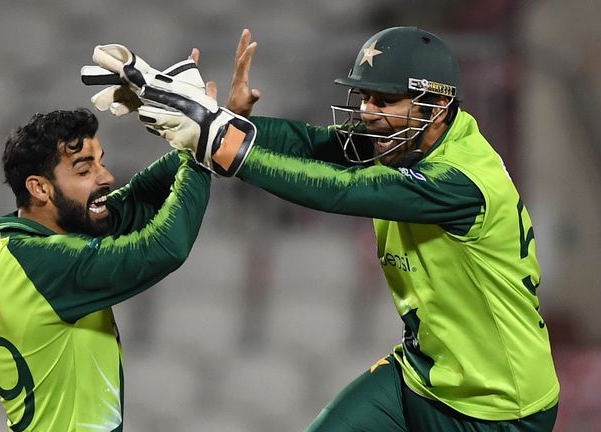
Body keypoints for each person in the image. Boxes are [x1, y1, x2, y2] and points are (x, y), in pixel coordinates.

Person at [108, 26, 560, 431]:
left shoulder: (461, 179)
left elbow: (339, 190)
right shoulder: (408, 141)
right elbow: (310, 144)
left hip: (500, 409)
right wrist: (225, 123)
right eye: (365, 97)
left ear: (437, 106)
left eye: (384, 100)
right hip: (421, 374)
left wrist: (220, 141)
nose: (367, 112)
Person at [0, 107, 210, 431]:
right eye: (84, 170)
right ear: (39, 188)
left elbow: (137, 200)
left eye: (100, 162)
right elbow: (165, 247)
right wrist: (200, 157)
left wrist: (208, 134)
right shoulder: (50, 263)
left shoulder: (21, 242)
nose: (106, 177)